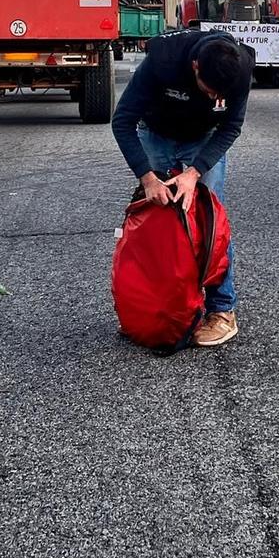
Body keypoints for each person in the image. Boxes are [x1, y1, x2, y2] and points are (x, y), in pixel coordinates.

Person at [110, 29, 255, 347]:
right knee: (156, 220)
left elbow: (231, 126)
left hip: (202, 140)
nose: (214, 98)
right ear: (195, 68)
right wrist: (147, 178)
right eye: (209, 90)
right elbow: (122, 121)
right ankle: (154, 307)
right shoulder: (162, 61)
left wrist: (194, 173)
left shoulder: (239, 70)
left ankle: (221, 310)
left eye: (221, 95)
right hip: (156, 133)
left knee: (212, 222)